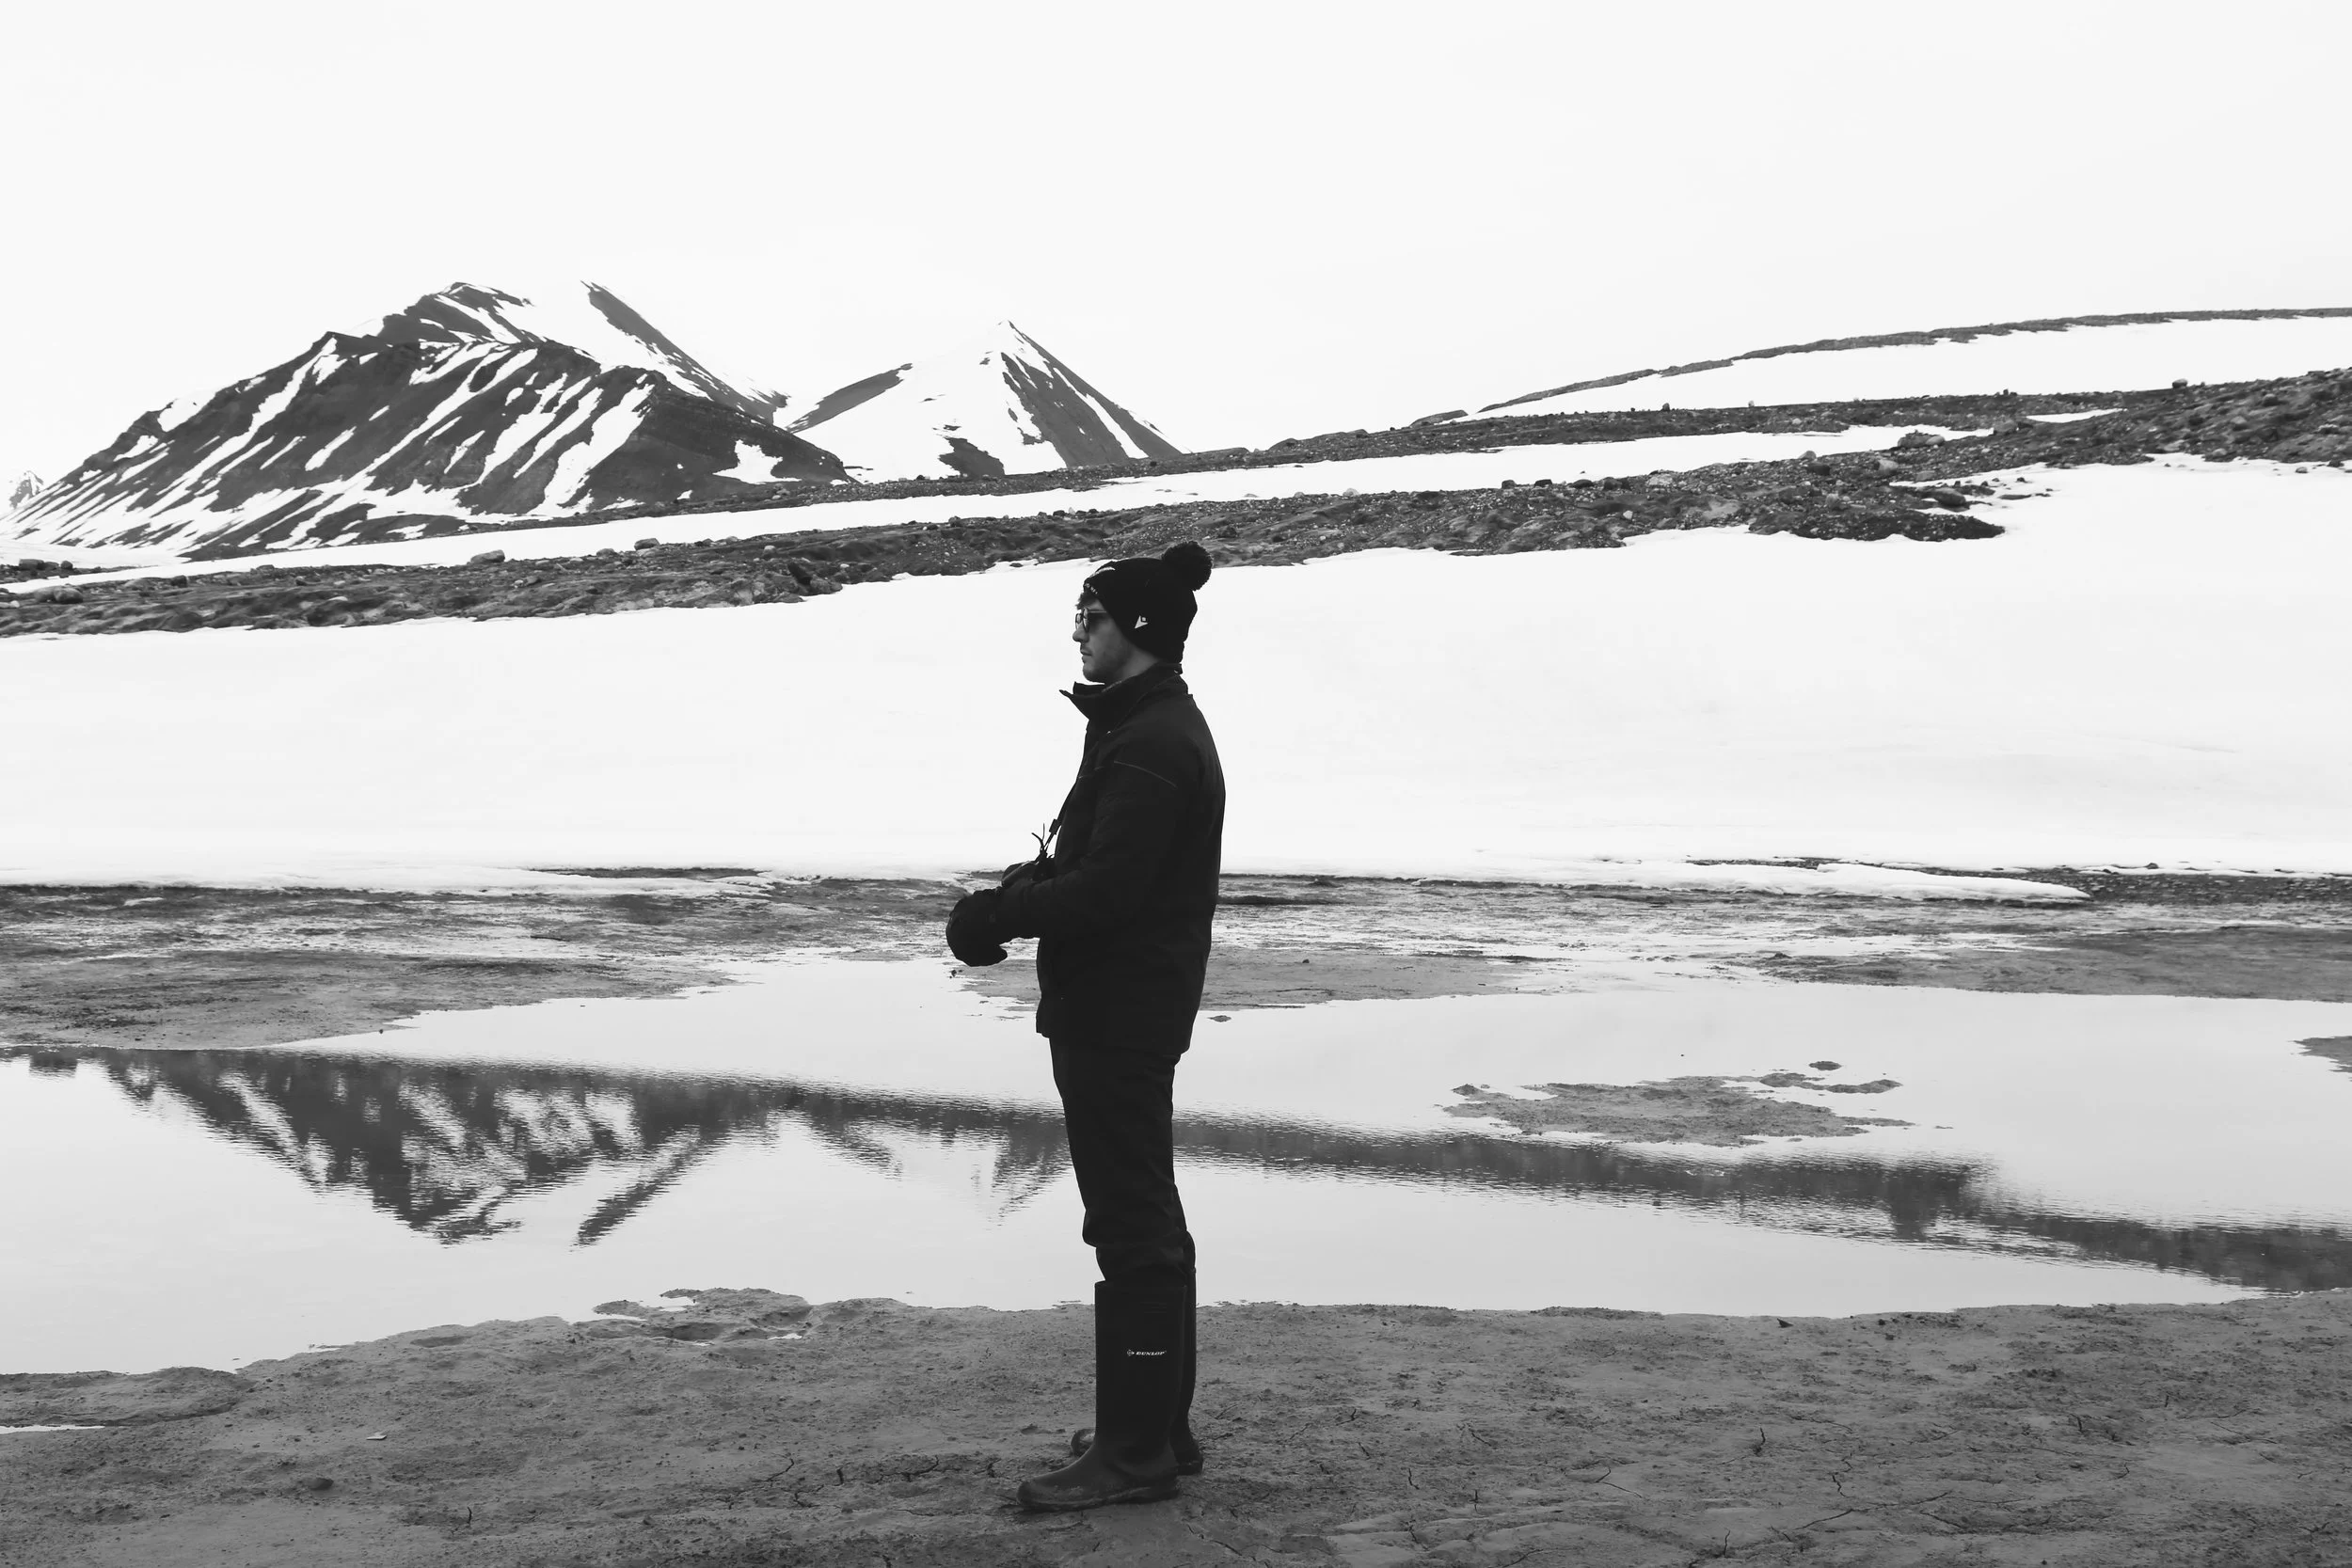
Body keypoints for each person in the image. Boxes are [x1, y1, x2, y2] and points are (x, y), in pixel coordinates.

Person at [946, 539, 1224, 1513]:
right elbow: (1100, 868)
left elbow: (1108, 891)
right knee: (1146, 1211)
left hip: (1119, 1007)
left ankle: (1136, 1452)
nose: (1078, 632)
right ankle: (1158, 1428)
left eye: (1092, 616)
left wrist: (999, 912)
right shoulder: (1142, 725)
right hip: (1127, 1000)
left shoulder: (1151, 741)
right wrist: (1022, 893)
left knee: (1129, 1219)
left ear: (1138, 628)